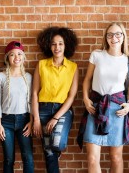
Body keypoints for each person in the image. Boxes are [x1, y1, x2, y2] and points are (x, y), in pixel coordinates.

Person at [82, 22, 129, 173]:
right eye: (110, 35)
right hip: (95, 107)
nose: (114, 38)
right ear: (106, 38)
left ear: (123, 36)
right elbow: (87, 79)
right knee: (92, 158)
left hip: (117, 111)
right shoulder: (97, 55)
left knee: (116, 157)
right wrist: (86, 100)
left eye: (118, 34)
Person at [32, 26, 79, 173]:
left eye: (60, 43)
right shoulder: (41, 65)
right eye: (53, 44)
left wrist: (55, 118)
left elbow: (71, 96)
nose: (57, 47)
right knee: (48, 152)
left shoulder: (73, 67)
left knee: (57, 144)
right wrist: (36, 119)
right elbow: (34, 93)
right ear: (49, 45)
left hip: (63, 111)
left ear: (66, 45)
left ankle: (57, 150)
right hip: (43, 110)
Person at [0, 41, 34, 173]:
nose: (16, 57)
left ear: (23, 57)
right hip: (6, 122)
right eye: (12, 54)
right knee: (9, 158)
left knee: (28, 157)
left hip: (24, 121)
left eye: (19, 54)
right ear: (7, 58)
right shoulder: (1, 77)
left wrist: (32, 121)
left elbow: (32, 101)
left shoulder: (28, 77)